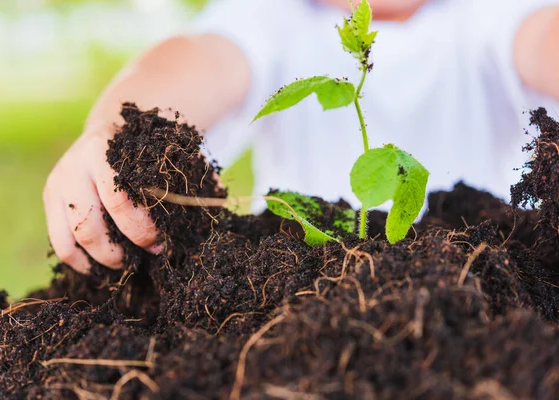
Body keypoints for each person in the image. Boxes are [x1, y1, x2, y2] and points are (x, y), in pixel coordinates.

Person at [43, 0, 559, 274]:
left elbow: (543, 38)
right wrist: (119, 131)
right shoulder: (273, 17)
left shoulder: (491, 11)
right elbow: (196, 60)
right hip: (304, 278)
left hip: (488, 271)